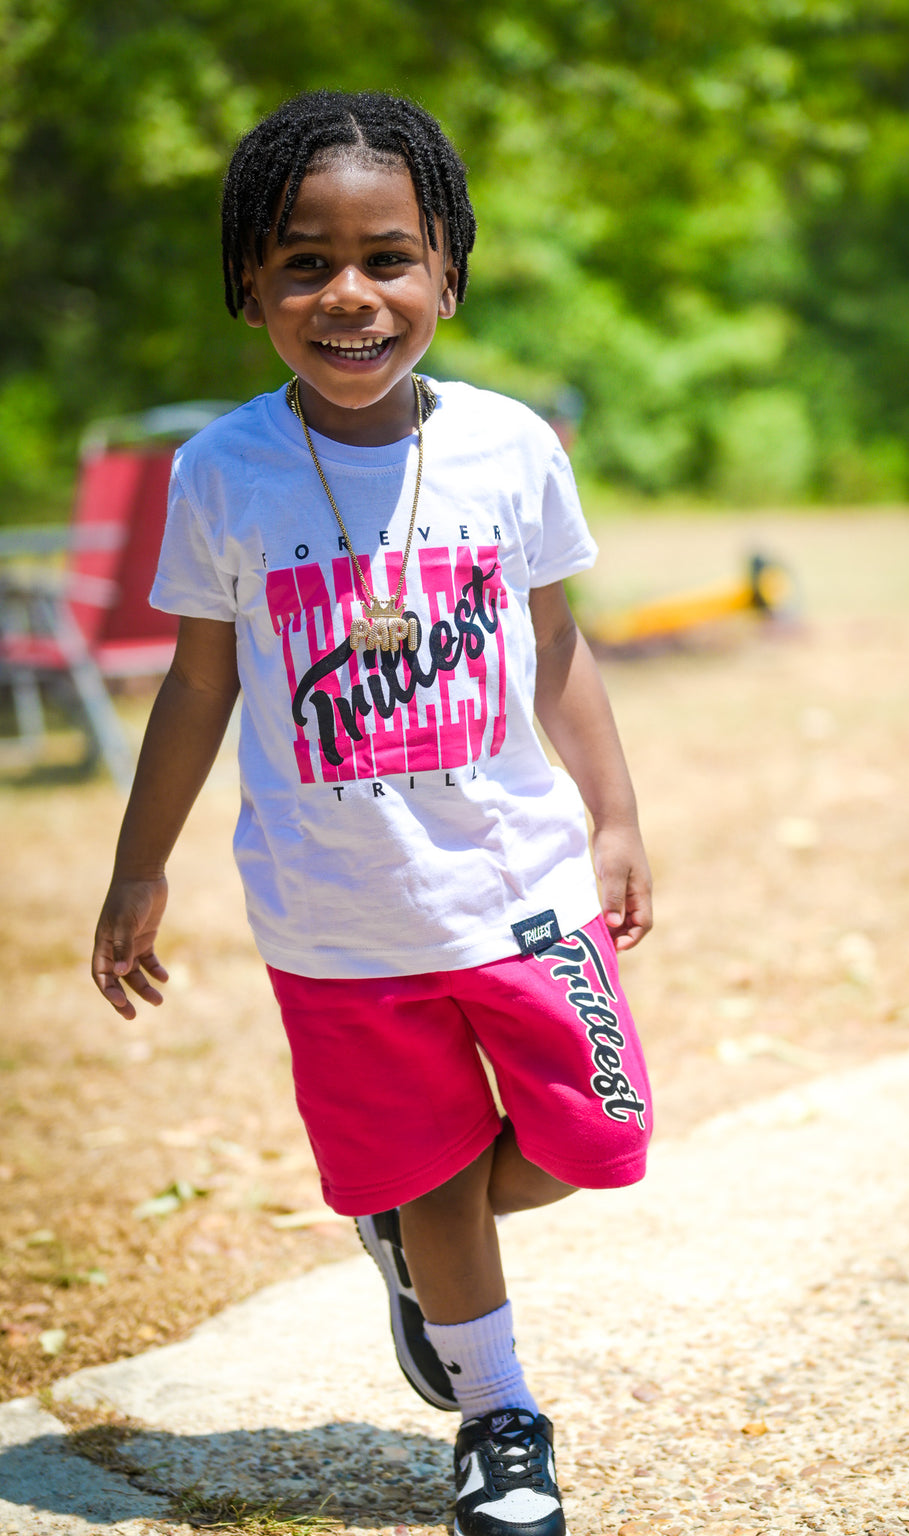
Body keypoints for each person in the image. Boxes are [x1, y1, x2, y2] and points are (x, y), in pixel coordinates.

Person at [91, 89, 653, 1536]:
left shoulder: (510, 446)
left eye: (389, 257)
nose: (350, 293)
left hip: (520, 886)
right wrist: (137, 867)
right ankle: (499, 1417)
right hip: (337, 919)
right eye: (304, 262)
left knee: (601, 1136)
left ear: (447, 273)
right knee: (432, 1168)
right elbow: (199, 686)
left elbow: (558, 643)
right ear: (251, 288)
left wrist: (615, 815)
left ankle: (411, 1232)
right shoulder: (222, 474)